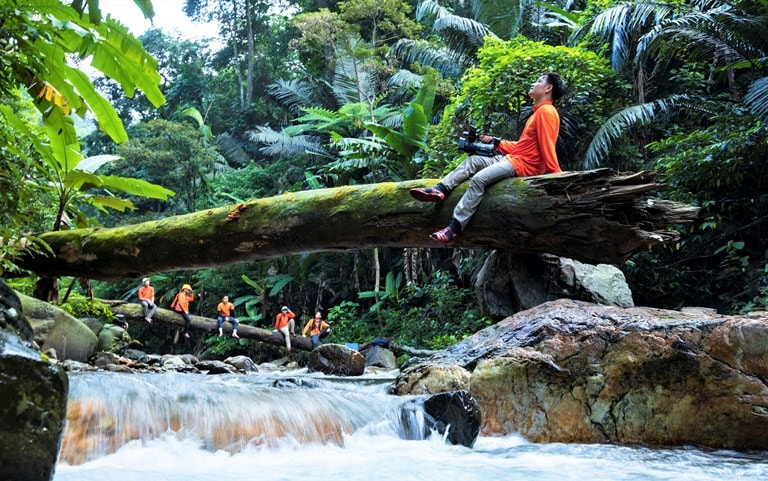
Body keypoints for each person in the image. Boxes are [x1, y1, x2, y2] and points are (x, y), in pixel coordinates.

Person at [410, 72, 565, 243]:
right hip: (514, 158)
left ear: (548, 88)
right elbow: (523, 146)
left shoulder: (547, 112)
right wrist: (496, 142)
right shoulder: (538, 113)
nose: (533, 83)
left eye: (538, 80)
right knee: (473, 160)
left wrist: (557, 175)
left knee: (478, 179)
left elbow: (547, 146)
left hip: (523, 166)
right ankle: (440, 189)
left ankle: (455, 227)